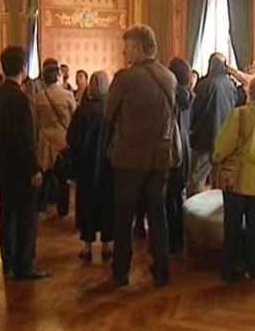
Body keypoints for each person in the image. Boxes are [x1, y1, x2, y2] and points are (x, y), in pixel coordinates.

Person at [105, 24, 176, 288]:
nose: (124, 54)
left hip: (128, 159)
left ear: (137, 48)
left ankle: (121, 271)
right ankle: (161, 270)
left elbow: (108, 113)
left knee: (123, 218)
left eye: (127, 48)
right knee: (158, 217)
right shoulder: (168, 76)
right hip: (159, 158)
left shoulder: (125, 78)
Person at [0, 46, 50, 280]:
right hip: (22, 170)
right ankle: (25, 265)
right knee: (26, 219)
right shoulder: (21, 99)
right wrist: (34, 168)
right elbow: (25, 139)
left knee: (7, 217)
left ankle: (8, 262)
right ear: (23, 67)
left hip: (2, 166)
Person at [212, 73, 255, 283]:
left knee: (232, 225)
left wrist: (216, 157)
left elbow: (223, 146)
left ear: (252, 92)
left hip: (237, 178)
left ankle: (229, 269)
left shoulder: (240, 115)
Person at [67, 71, 113, 262]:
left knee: (86, 204)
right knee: (107, 204)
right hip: (107, 166)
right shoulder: (111, 111)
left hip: (86, 167)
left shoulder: (82, 110)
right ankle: (107, 245)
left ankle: (87, 246)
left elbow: (71, 138)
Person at [187, 53, 238, 196]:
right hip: (225, 138)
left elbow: (195, 111)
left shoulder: (204, 84)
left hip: (203, 137)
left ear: (211, 65)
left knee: (197, 179)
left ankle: (194, 213)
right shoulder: (231, 85)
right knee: (219, 180)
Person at [35, 58, 76, 217]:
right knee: (63, 177)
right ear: (58, 76)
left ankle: (41, 206)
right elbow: (73, 117)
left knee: (45, 175)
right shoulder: (67, 95)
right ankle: (63, 209)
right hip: (62, 140)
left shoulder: (39, 97)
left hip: (45, 140)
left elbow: (37, 120)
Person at [166, 57, 193, 253]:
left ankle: (171, 237)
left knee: (169, 196)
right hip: (185, 146)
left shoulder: (171, 97)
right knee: (177, 193)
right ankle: (179, 234)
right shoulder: (190, 96)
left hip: (172, 148)